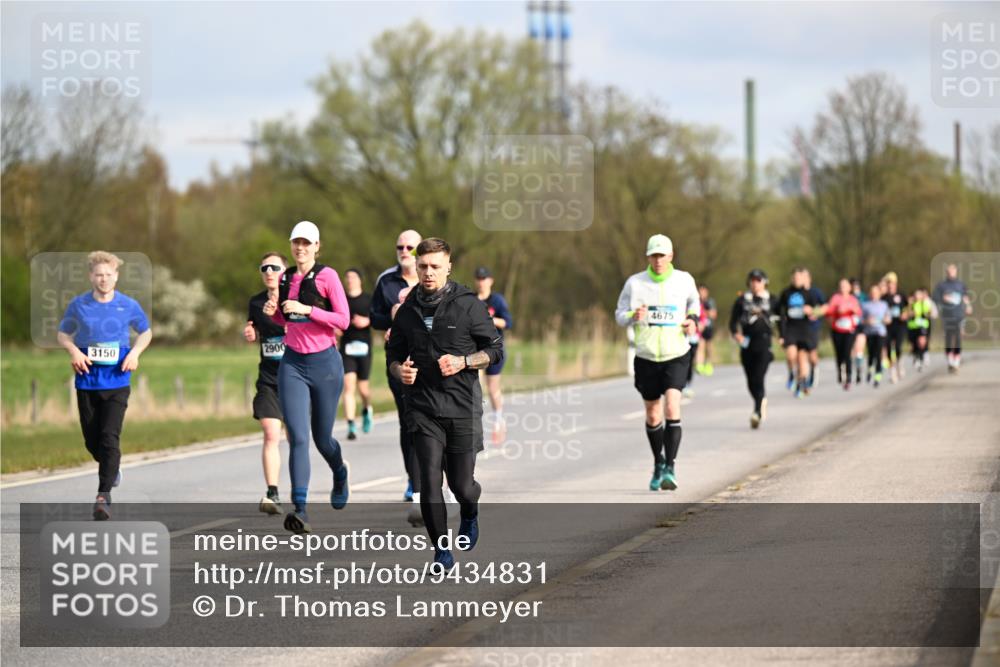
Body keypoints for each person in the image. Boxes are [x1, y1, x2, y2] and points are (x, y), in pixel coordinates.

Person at [386, 237, 504, 573]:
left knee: (462, 486)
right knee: (428, 480)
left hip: (462, 405)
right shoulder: (407, 309)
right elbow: (393, 356)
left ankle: (470, 510)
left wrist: (464, 361)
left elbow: (495, 351)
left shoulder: (468, 305)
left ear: (448, 267)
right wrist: (400, 371)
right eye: (422, 266)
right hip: (422, 406)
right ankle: (442, 552)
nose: (427, 272)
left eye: (435, 266)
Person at [263, 221, 351, 534]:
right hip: (293, 364)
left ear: (316, 246)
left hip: (325, 364)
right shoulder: (286, 278)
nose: (300, 248)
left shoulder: (327, 276)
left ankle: (339, 472)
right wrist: (273, 311)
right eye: (296, 243)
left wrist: (307, 308)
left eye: (306, 243)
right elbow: (283, 318)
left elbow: (343, 319)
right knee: (297, 438)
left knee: (322, 438)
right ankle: (300, 510)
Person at [57, 251, 152, 521]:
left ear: (116, 276)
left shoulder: (128, 305)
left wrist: (134, 354)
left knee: (110, 437)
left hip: (117, 380)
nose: (103, 279)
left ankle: (103, 496)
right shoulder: (79, 305)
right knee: (92, 439)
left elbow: (146, 331)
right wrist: (74, 351)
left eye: (108, 274)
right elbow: (63, 334)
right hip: (87, 381)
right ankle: (112, 467)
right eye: (98, 274)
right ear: (91, 276)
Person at [614, 234, 700, 492]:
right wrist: (632, 315)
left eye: (662, 255)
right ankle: (658, 463)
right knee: (653, 413)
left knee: (673, 407)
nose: (658, 260)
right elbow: (619, 315)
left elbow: (695, 304)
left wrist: (692, 319)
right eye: (654, 255)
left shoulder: (684, 280)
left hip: (676, 353)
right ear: (648, 257)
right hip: (647, 356)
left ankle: (670, 468)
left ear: (671, 256)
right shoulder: (635, 283)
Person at [371, 229, 422, 502]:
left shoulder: (431, 276)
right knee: (407, 421)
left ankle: (436, 478)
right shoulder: (386, 281)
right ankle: (414, 482)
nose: (404, 251)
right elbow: (373, 317)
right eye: (400, 246)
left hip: (428, 360)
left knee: (431, 420)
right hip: (398, 360)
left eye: (410, 247)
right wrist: (390, 318)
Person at [244, 251, 288, 514]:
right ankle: (273, 493)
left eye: (274, 267)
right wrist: (251, 332)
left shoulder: (296, 299)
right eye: (264, 269)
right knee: (271, 433)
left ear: (285, 271)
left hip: (297, 378)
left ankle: (302, 490)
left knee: (297, 438)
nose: (269, 272)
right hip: (269, 380)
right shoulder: (256, 302)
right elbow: (253, 327)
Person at [729, 269, 774, 429]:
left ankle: (757, 411)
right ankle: (760, 401)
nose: (755, 283)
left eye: (758, 280)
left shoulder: (772, 299)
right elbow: (733, 322)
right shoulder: (742, 300)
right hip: (747, 344)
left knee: (759, 377)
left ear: (764, 282)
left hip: (764, 344)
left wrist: (783, 336)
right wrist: (736, 334)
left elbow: (781, 319)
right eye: (753, 280)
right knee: (750, 381)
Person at [474, 266, 513, 445]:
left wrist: (489, 319)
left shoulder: (496, 300)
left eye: (484, 279)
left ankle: (498, 419)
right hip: (475, 349)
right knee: (474, 386)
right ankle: (473, 422)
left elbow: (508, 322)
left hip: (494, 348)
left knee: (492, 388)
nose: (481, 282)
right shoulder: (472, 299)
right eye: (479, 279)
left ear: (490, 281)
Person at [776, 267, 823, 398]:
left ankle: (801, 384)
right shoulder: (786, 293)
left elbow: (820, 309)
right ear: (792, 279)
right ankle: (791, 373)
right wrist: (781, 334)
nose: (797, 280)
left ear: (804, 279)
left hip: (805, 329)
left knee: (802, 359)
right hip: (791, 329)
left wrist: (813, 311)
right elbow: (780, 313)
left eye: (799, 277)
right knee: (791, 356)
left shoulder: (810, 293)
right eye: (795, 277)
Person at [339, 268, 374, 440]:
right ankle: (351, 424)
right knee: (349, 386)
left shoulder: (368, 299)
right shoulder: (341, 300)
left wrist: (366, 321)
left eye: (353, 277)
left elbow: (377, 318)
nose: (350, 280)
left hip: (364, 347)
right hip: (346, 348)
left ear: (360, 279)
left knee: (363, 389)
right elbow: (335, 319)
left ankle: (367, 409)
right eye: (347, 277)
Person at [933, 263, 973, 373]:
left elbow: (965, 297)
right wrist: (941, 300)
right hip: (946, 315)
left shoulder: (960, 284)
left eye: (953, 271)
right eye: (949, 271)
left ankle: (956, 360)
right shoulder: (941, 285)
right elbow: (935, 299)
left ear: (956, 272)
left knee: (958, 337)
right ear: (946, 272)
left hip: (959, 315)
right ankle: (950, 359)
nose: (951, 273)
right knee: (949, 337)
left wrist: (969, 306)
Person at [825, 279, 862, 390]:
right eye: (841, 286)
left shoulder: (853, 299)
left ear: (849, 288)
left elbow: (859, 313)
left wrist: (849, 309)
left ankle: (849, 376)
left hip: (849, 330)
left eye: (845, 286)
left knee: (847, 353)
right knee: (839, 353)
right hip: (837, 329)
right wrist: (837, 310)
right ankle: (840, 372)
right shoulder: (835, 298)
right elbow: (829, 311)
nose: (843, 288)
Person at [860, 284, 891, 387]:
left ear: (879, 294)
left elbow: (888, 318)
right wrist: (867, 321)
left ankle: (877, 376)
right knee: (871, 353)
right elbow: (860, 320)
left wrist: (885, 320)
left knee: (878, 354)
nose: (874, 295)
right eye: (872, 293)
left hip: (880, 332)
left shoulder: (884, 304)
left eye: (876, 293)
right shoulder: (865, 305)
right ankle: (869, 369)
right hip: (869, 332)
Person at [802, 270, 826, 390]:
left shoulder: (816, 292)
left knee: (812, 354)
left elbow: (825, 307)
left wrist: (813, 311)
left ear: (809, 278)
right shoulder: (796, 293)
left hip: (812, 327)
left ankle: (814, 369)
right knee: (801, 354)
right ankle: (803, 379)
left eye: (804, 277)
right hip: (798, 328)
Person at [882, 272, 907, 383]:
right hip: (888, 326)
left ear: (895, 283)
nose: (890, 285)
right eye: (888, 283)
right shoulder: (883, 298)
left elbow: (909, 307)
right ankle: (892, 373)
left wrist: (905, 314)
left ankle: (899, 364)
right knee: (888, 349)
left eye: (892, 283)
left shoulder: (901, 295)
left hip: (899, 325)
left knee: (897, 347)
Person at [905, 288, 936, 371]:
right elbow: (905, 314)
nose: (917, 296)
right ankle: (917, 357)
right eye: (915, 295)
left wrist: (928, 313)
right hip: (912, 327)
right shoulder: (910, 305)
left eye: (918, 295)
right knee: (914, 344)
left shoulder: (924, 304)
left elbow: (930, 312)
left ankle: (923, 355)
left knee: (921, 342)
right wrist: (910, 313)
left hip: (922, 326)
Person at [849, 277, 869, 383]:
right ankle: (853, 368)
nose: (855, 288)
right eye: (853, 285)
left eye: (856, 285)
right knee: (851, 350)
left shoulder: (864, 297)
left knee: (859, 349)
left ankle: (859, 369)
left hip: (861, 325)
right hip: (849, 326)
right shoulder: (847, 297)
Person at [695, 285, 717, 376]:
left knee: (709, 347)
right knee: (700, 345)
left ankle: (708, 364)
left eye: (703, 291)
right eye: (700, 291)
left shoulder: (710, 302)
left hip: (709, 327)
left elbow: (713, 314)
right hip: (700, 328)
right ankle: (699, 365)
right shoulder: (695, 301)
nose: (701, 293)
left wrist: (704, 311)